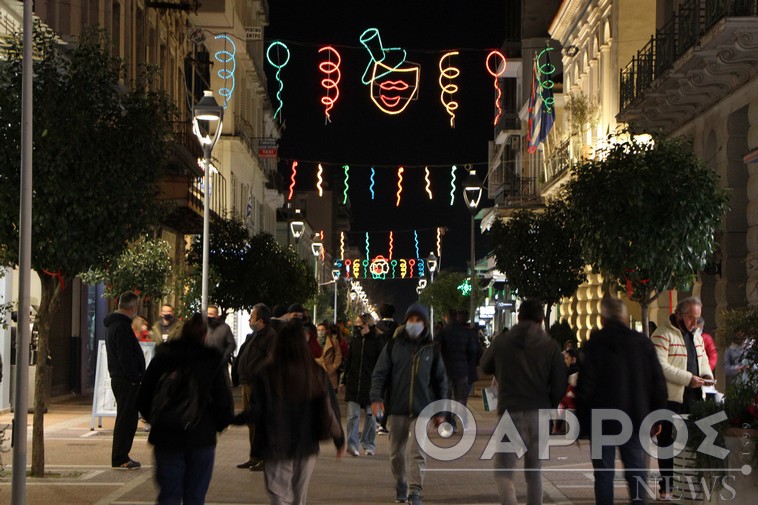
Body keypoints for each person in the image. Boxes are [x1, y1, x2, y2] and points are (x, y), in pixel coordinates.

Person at [233, 320, 345, 505]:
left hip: (276, 444)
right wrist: (339, 439)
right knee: (298, 498)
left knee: (279, 496)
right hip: (306, 444)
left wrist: (232, 419)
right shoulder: (315, 373)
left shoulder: (266, 373)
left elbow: (257, 410)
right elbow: (329, 410)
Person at [576, 297, 668, 505]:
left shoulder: (594, 344)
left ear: (602, 319)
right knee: (636, 469)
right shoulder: (642, 342)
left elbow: (585, 386)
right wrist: (658, 415)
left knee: (603, 473)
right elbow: (658, 382)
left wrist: (581, 422)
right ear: (624, 317)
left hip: (601, 419)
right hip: (635, 416)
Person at [136, 313, 234, 505]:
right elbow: (223, 401)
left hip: (167, 436)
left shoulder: (163, 358)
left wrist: (156, 419)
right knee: (195, 497)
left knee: (168, 496)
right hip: (201, 436)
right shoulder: (211, 361)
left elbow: (144, 395)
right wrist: (219, 424)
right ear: (204, 336)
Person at [479, 299, 566, 505]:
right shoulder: (551, 346)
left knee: (503, 471)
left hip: (511, 411)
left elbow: (484, 365)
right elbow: (559, 383)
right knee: (534, 472)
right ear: (541, 319)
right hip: (540, 413)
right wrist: (550, 405)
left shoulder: (502, 342)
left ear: (518, 317)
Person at [370, 304, 448, 505]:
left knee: (417, 451)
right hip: (397, 408)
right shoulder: (394, 346)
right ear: (406, 322)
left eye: (418, 320)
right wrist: (376, 398)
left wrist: (441, 411)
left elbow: (441, 381)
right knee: (396, 453)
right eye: (411, 320)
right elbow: (380, 374)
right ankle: (401, 483)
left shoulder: (431, 349)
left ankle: (415, 490)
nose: (414, 324)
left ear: (425, 323)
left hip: (422, 409)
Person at [650, 296, 713, 500]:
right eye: (690, 318)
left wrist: (707, 377)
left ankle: (687, 483)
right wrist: (688, 379)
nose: (695, 323)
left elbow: (702, 359)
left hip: (694, 396)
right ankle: (666, 485)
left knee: (691, 441)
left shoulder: (696, 335)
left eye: (697, 318)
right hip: (670, 399)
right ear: (679, 314)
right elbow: (660, 366)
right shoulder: (662, 334)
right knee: (667, 441)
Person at [104, 291, 146, 469]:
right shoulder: (121, 327)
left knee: (126, 418)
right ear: (133, 307)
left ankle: (122, 456)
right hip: (126, 380)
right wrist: (135, 377)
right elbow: (125, 356)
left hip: (123, 379)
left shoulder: (115, 325)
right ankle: (121, 458)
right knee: (126, 419)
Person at [234, 303, 277, 471]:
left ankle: (266, 458)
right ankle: (255, 456)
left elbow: (272, 362)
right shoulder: (254, 336)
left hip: (259, 386)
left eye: (252, 317)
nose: (249, 320)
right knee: (251, 422)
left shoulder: (270, 337)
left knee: (261, 423)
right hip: (247, 383)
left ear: (261, 321)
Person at [339, 313, 384, 457]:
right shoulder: (355, 340)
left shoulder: (377, 341)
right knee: (353, 416)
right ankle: (352, 445)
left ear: (367, 324)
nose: (357, 326)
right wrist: (344, 379)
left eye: (359, 324)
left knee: (371, 417)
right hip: (354, 384)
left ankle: (368, 444)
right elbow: (349, 361)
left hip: (371, 386)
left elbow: (381, 364)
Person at [435, 308, 480, 431]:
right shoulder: (465, 332)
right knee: (461, 397)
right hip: (462, 370)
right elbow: (473, 351)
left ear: (446, 317)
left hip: (446, 370)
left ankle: (450, 423)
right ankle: (463, 419)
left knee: (447, 398)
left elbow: (436, 348)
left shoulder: (443, 331)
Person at [316, 324, 343, 392]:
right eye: (318, 330)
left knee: (330, 396)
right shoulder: (313, 341)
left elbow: (338, 354)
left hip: (330, 370)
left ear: (326, 331)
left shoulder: (333, 341)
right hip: (317, 370)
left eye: (322, 330)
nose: (320, 332)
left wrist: (334, 366)